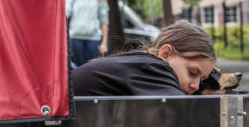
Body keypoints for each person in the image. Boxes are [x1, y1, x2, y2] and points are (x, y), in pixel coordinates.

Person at [72, 20, 216, 96]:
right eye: (192, 72)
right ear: (165, 54)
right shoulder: (156, 68)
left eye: (202, 80)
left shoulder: (140, 65)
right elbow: (181, 113)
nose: (196, 86)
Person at [66, 0, 109, 66]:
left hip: (93, 39)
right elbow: (64, 14)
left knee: (94, 67)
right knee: (78, 67)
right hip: (75, 38)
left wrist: (104, 43)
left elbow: (104, 22)